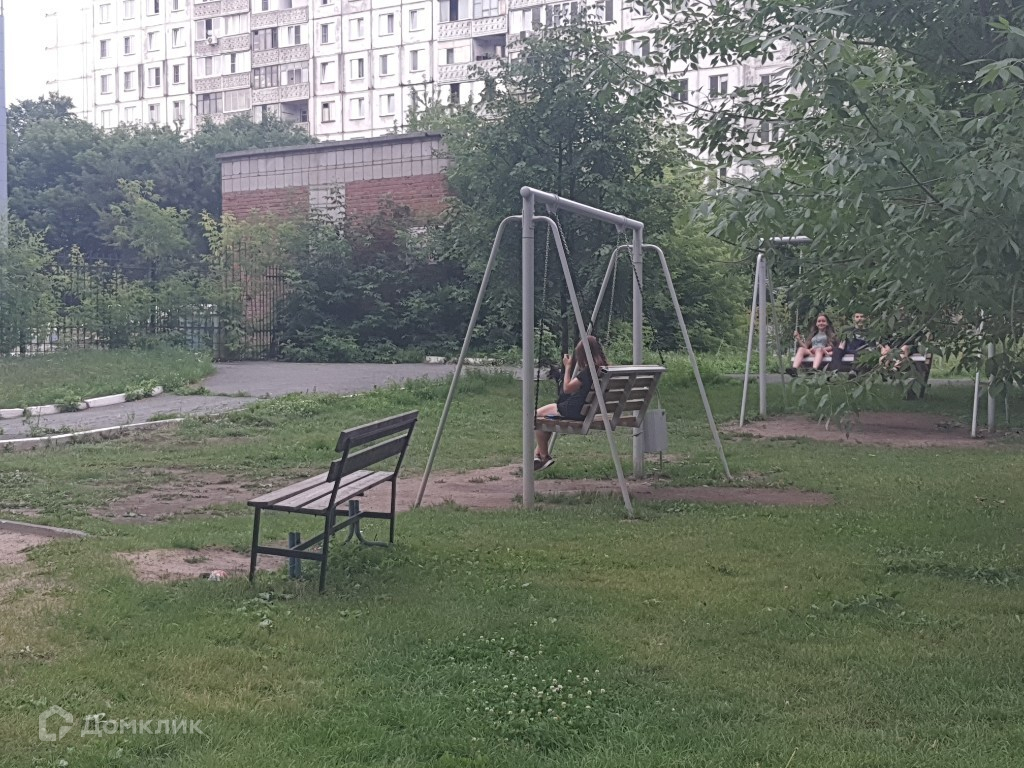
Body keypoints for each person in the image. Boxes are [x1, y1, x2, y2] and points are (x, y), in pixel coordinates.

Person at [533, 335, 608, 471]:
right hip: (586, 410)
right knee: (546, 418)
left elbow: (567, 388)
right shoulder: (604, 369)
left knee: (535, 417)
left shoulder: (589, 371)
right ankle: (537, 455)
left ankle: (544, 456)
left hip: (573, 410)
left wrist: (567, 367)